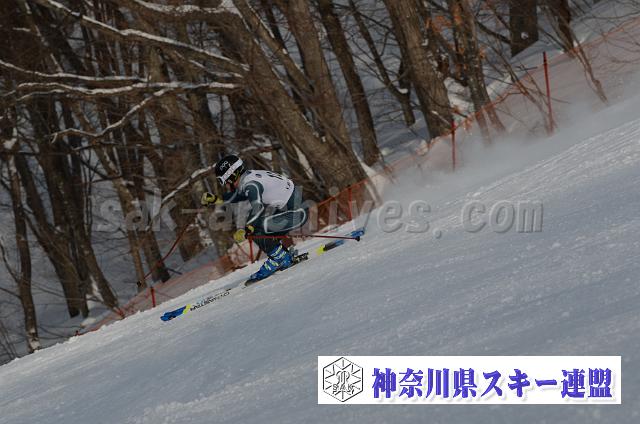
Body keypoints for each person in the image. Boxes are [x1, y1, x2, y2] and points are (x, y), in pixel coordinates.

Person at [201, 155, 308, 281]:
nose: (228, 184)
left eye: (227, 181)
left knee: (256, 229)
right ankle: (281, 256)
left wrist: (247, 229)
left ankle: (281, 258)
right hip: (295, 208)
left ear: (232, 175)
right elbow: (241, 194)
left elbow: (257, 208)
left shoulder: (250, 184)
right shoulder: (249, 176)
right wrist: (217, 199)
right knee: (260, 228)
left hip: (297, 214)